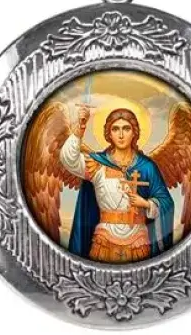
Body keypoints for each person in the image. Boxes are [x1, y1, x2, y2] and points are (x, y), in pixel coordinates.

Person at [60, 106, 174, 263]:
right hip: (105, 238)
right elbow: (68, 159)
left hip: (138, 240)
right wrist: (80, 128)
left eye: (126, 128)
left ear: (134, 132)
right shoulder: (98, 164)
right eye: (115, 129)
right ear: (109, 133)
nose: (121, 135)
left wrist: (146, 204)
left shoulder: (147, 167)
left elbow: (166, 202)